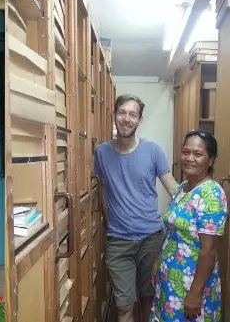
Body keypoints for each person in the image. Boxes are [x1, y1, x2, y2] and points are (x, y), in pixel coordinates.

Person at [94, 94, 179, 322]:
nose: (126, 119)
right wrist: (109, 221)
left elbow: (173, 188)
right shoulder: (101, 153)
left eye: (133, 114)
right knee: (123, 306)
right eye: (122, 113)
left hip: (151, 239)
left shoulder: (153, 150)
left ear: (140, 119)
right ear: (114, 115)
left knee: (148, 300)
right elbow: (102, 188)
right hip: (118, 243)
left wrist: (201, 201)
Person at [150, 129, 227, 321]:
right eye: (185, 152)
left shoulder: (212, 195)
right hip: (170, 277)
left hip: (191, 283)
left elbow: (208, 250)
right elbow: (172, 232)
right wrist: (158, 260)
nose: (189, 158)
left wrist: (195, 294)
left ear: (210, 160)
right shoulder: (183, 187)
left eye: (198, 154)